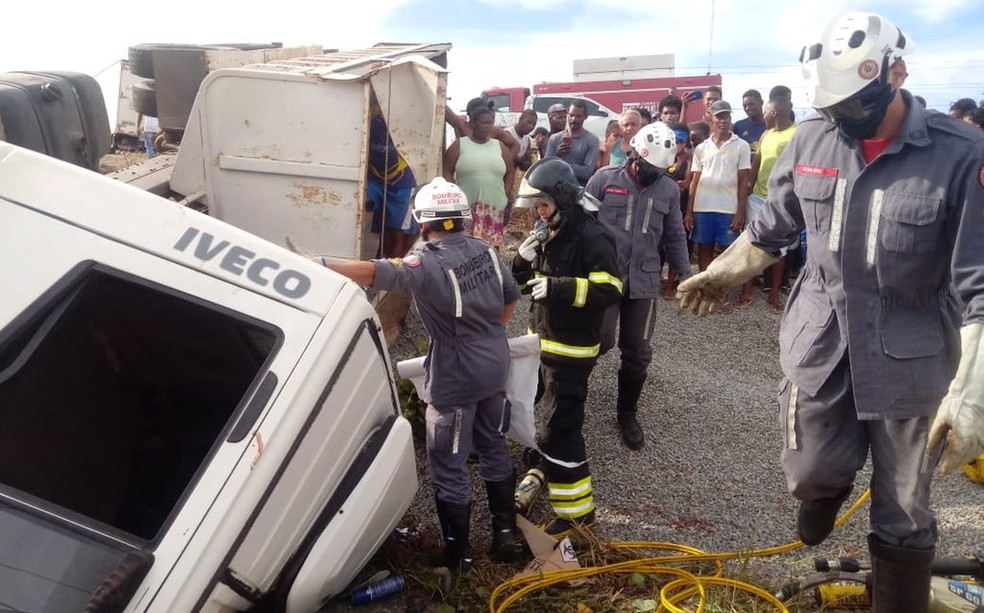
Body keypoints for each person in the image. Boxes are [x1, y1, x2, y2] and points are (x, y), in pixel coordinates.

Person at [677, 12, 984, 612]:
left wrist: (971, 388)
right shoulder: (813, 138)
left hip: (912, 350)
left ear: (896, 74)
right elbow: (774, 227)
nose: (843, 118)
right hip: (822, 339)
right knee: (811, 470)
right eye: (834, 105)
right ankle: (827, 486)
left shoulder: (962, 156)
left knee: (905, 508)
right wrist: (726, 270)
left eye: (855, 105)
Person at [326, 177, 526, 570]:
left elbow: (375, 272)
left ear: (423, 222)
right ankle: (505, 535)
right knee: (491, 442)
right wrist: (489, 334)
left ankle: (458, 554)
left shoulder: (426, 262)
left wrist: (319, 264)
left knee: (449, 459)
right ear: (463, 217)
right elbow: (510, 297)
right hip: (493, 359)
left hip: (455, 371)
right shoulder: (485, 250)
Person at [511, 158, 622, 535]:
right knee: (543, 420)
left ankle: (578, 516)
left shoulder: (593, 237)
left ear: (561, 198)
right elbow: (527, 287)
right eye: (536, 207)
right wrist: (520, 263)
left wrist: (560, 288)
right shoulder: (551, 233)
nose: (538, 214)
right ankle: (542, 468)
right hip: (542, 346)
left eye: (543, 205)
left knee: (560, 430)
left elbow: (610, 289)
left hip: (570, 353)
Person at [586, 122, 691, 449]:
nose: (651, 174)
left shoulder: (668, 189)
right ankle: (567, 397)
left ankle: (627, 412)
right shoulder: (603, 179)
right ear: (633, 154)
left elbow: (674, 234)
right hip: (605, 277)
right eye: (647, 167)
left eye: (659, 169)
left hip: (644, 280)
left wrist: (686, 274)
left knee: (638, 350)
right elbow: (582, 226)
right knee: (597, 341)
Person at [683, 100, 752, 308]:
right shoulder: (702, 148)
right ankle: (707, 290)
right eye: (719, 116)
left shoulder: (741, 145)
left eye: (726, 116)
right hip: (703, 208)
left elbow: (743, 182)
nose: (723, 121)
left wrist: (740, 213)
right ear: (710, 118)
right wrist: (689, 211)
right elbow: (694, 181)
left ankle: (730, 293)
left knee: (729, 252)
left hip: (728, 209)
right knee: (704, 250)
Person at [747, 96, 796, 314]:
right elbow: (756, 163)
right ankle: (746, 290)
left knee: (779, 249)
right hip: (757, 197)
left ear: (773, 112)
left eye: (765, 111)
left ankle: (774, 293)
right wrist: (747, 191)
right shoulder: (766, 134)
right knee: (751, 243)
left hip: (781, 201)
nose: (762, 116)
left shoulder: (797, 134)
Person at [443, 101, 516, 248]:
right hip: (466, 208)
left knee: (490, 250)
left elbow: (510, 172)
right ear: (474, 124)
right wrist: (455, 194)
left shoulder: (499, 146)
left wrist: (505, 194)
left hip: (493, 208)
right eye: (484, 123)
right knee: (465, 248)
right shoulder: (460, 145)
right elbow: (446, 170)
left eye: (490, 122)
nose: (488, 126)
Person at [366, 103, 419, 258]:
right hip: (375, 178)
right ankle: (378, 265)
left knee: (397, 233)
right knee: (358, 205)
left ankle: (394, 270)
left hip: (401, 182)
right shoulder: (372, 121)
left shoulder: (406, 124)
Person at [545, 100, 601, 186]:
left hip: (579, 191)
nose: (574, 119)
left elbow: (586, 172)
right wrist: (557, 155)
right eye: (571, 115)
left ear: (585, 117)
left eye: (578, 116)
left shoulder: (592, 140)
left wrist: (558, 162)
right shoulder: (555, 138)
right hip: (556, 189)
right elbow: (546, 168)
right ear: (567, 114)